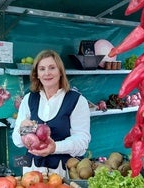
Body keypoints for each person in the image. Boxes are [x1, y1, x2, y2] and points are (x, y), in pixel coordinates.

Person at [12, 49, 91, 177]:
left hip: (62, 172)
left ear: (60, 71)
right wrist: (25, 130)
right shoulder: (29, 99)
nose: (47, 73)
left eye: (52, 68)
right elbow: (17, 140)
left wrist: (55, 147)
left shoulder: (76, 100)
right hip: (32, 172)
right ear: (36, 74)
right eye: (42, 69)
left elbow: (82, 141)